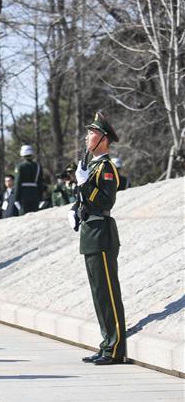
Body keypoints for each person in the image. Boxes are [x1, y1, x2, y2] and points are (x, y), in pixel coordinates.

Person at [73, 112, 127, 366]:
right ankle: (106, 343)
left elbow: (106, 201)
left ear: (103, 138)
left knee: (108, 292)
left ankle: (115, 348)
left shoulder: (106, 168)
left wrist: (85, 185)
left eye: (91, 132)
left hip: (102, 233)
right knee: (98, 293)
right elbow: (87, 200)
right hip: (90, 232)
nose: (87, 136)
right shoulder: (91, 165)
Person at [13, 145, 45, 214]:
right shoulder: (38, 166)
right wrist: (41, 197)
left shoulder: (20, 166)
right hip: (35, 194)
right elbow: (40, 183)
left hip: (23, 195)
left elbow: (17, 183)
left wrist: (16, 198)